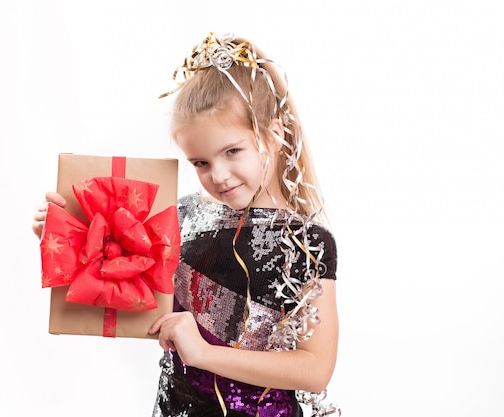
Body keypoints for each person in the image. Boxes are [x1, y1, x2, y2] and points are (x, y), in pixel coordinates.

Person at [32, 33, 340, 417]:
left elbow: (316, 369)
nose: (219, 175)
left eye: (232, 151)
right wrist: (68, 239)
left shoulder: (307, 241)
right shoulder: (184, 217)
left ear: (273, 135)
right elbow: (127, 294)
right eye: (201, 163)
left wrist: (206, 354)